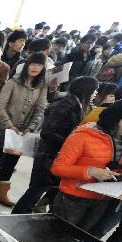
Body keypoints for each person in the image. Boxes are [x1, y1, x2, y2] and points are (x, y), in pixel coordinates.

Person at [50, 98, 122, 235]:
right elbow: (58, 168)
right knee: (55, 237)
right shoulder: (83, 135)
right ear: (115, 118)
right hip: (73, 199)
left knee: (80, 240)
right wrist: (90, 171)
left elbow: (118, 165)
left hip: (101, 200)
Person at [13, 76, 99, 214]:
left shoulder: (81, 106)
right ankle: (16, 218)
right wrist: (70, 144)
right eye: (95, 90)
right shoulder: (66, 104)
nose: (96, 94)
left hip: (56, 155)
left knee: (41, 190)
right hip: (47, 154)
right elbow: (47, 132)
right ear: (86, 90)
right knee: (35, 191)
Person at [0, 53, 48, 205]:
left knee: (11, 162)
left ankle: (0, 192)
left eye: (39, 65)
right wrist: (9, 125)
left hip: (22, 131)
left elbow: (41, 109)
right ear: (27, 65)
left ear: (43, 68)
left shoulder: (42, 86)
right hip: (2, 128)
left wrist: (31, 127)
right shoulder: (13, 82)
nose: (35, 67)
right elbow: (1, 106)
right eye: (32, 64)